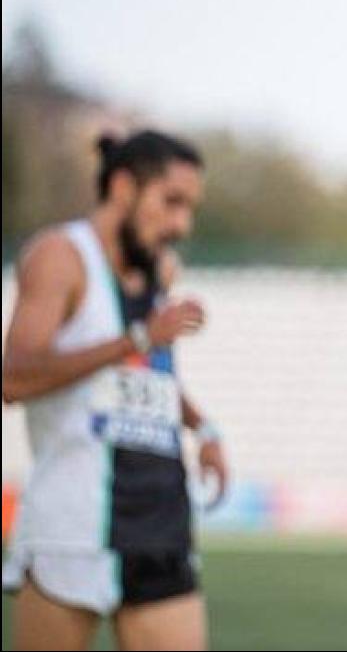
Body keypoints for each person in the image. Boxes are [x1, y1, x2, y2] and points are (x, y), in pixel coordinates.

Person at [2, 130, 227, 651]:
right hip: (74, 529)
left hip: (161, 526)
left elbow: (151, 374)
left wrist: (204, 428)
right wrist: (139, 336)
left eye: (189, 208)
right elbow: (13, 378)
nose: (181, 224)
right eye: (171, 202)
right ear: (123, 187)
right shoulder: (61, 255)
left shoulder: (159, 270)